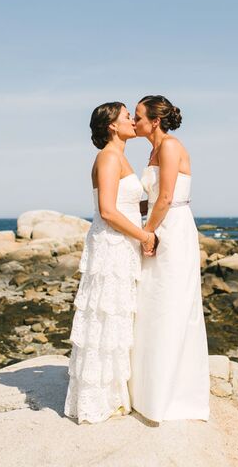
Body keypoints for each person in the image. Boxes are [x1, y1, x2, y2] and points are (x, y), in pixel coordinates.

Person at [64, 101, 157, 424]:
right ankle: (98, 398)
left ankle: (116, 393)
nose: (133, 121)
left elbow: (134, 202)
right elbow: (107, 210)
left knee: (119, 316)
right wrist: (144, 237)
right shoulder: (107, 156)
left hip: (124, 243)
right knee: (106, 316)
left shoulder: (122, 156)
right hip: (112, 244)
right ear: (112, 126)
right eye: (127, 117)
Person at [129, 94, 210, 423]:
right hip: (158, 225)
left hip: (173, 229)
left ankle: (173, 397)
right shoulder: (152, 149)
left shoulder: (171, 146)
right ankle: (147, 391)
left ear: (154, 121)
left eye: (137, 116)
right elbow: (150, 198)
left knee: (173, 305)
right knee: (152, 303)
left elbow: (165, 196)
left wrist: (148, 233)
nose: (133, 123)